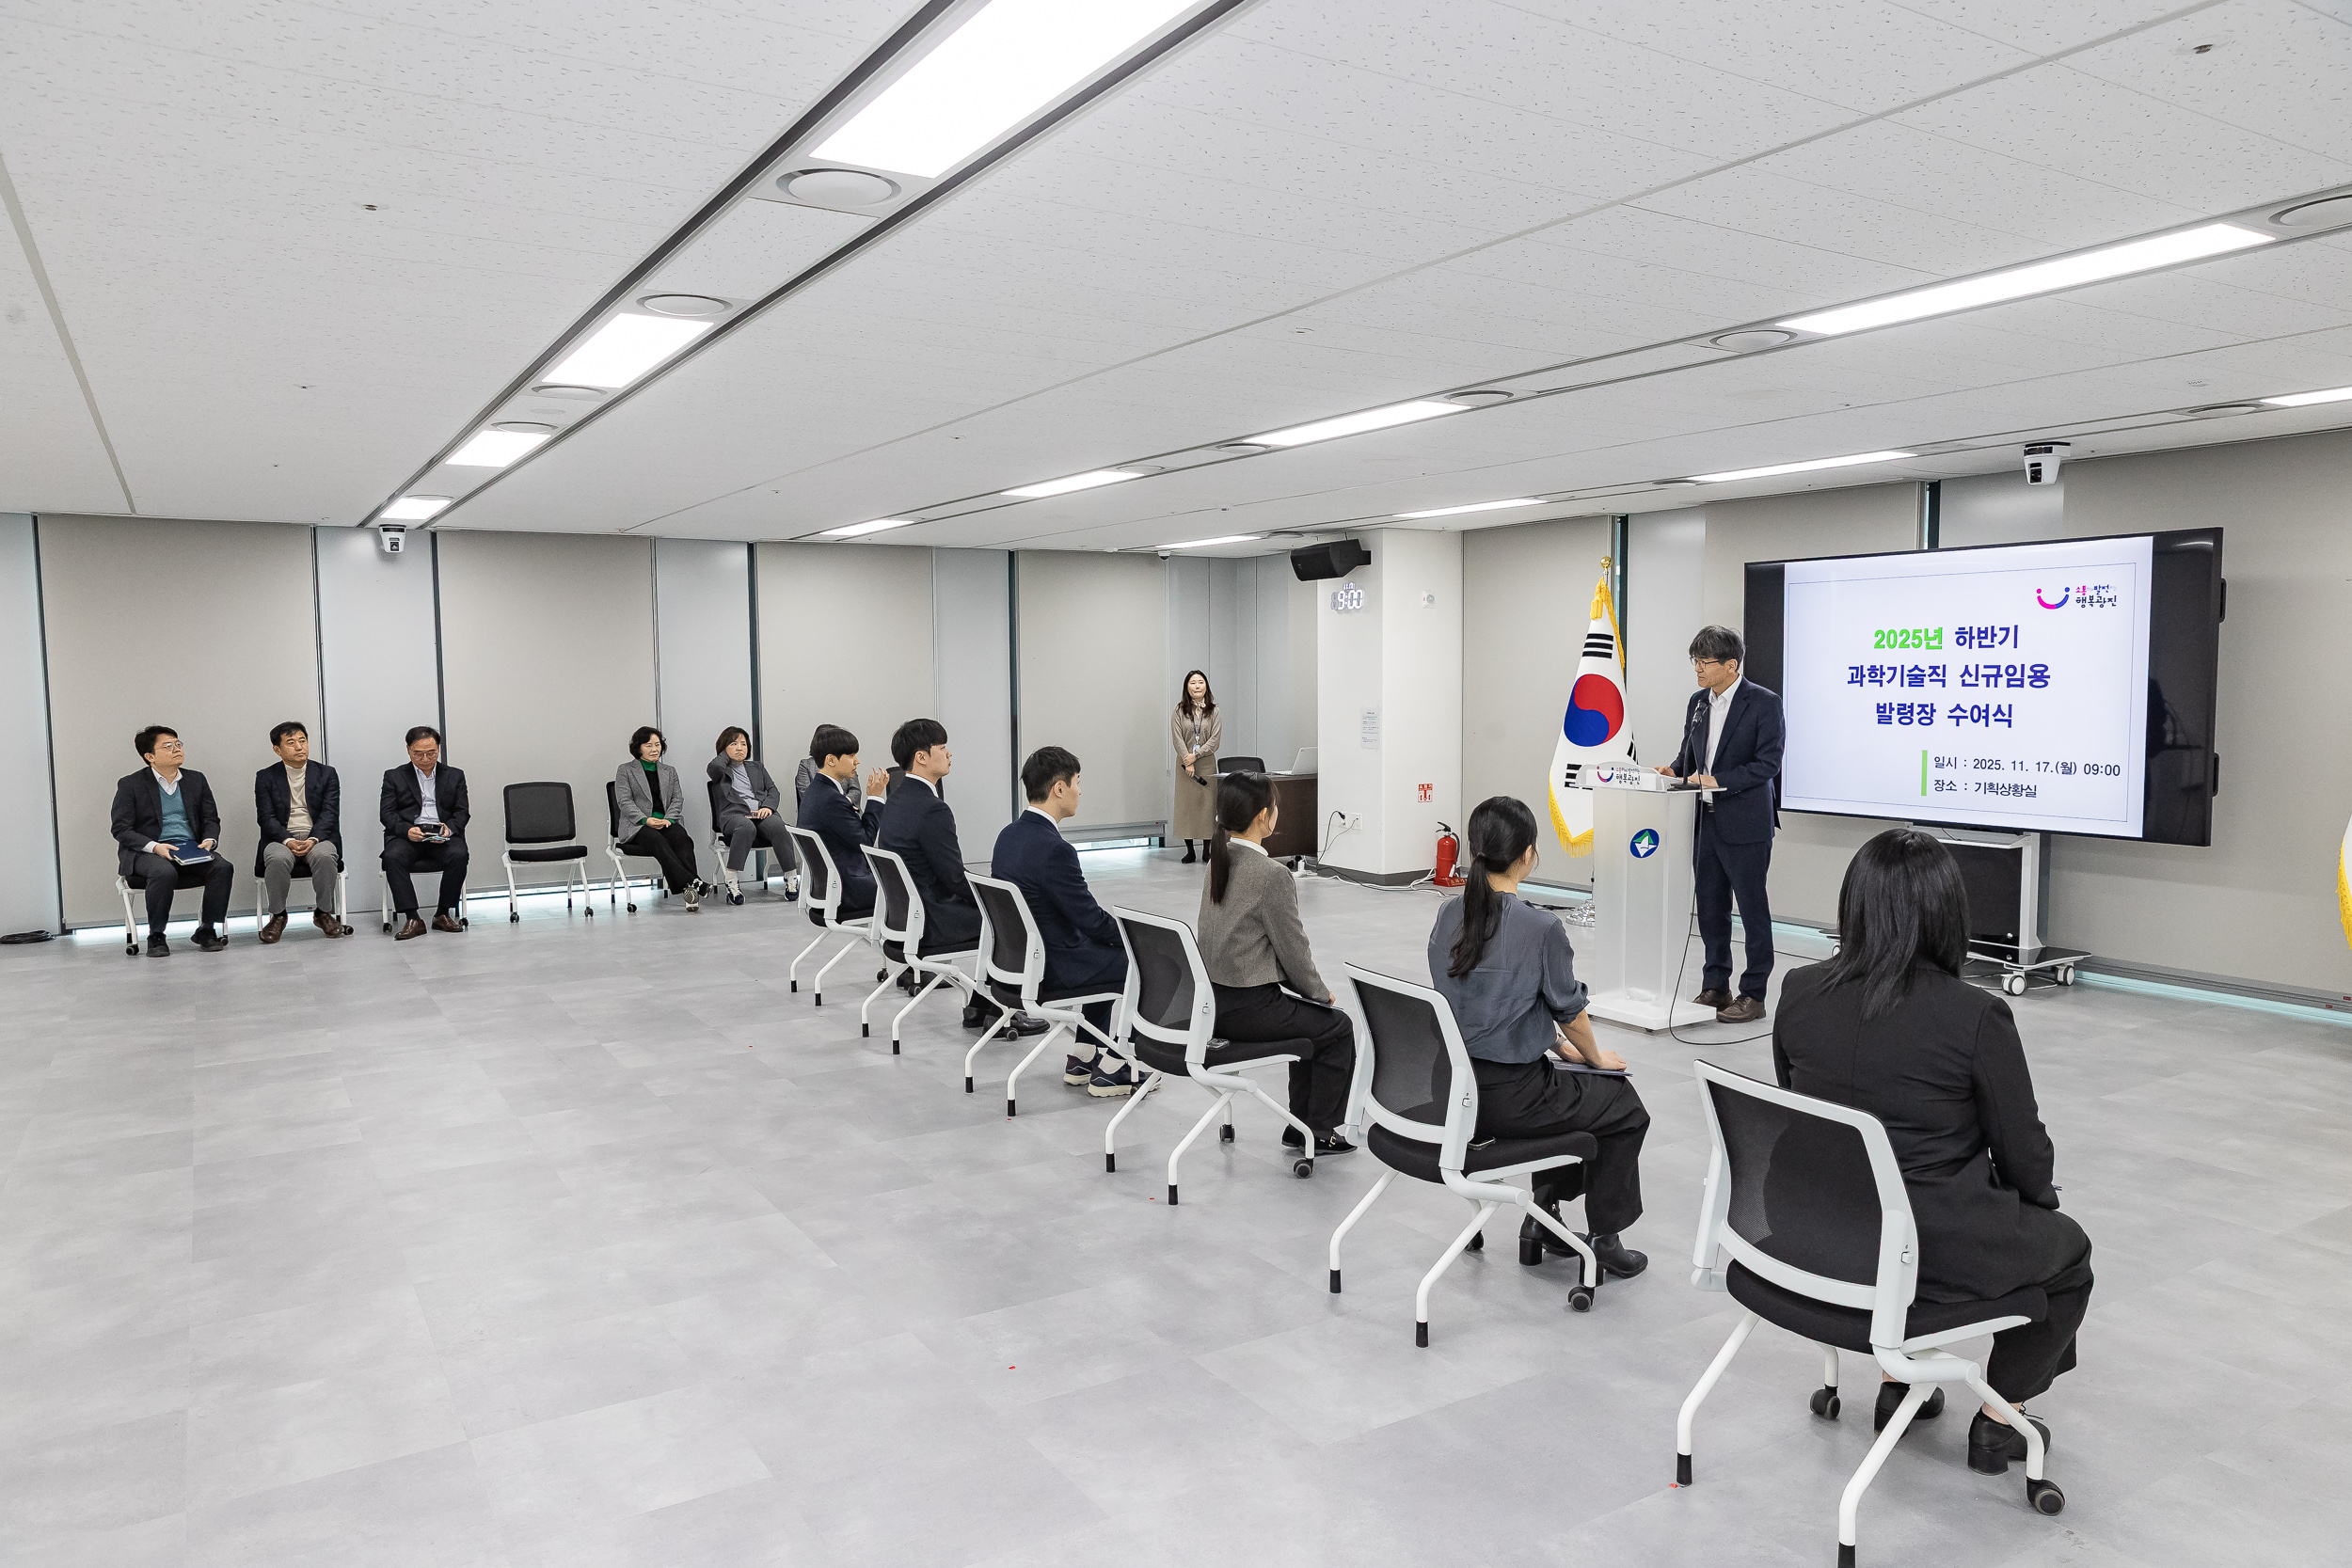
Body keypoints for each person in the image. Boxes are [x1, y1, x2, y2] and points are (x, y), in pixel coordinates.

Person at [1773, 829, 2091, 1466]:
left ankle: (1900, 1387)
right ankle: (2003, 1416)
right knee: (2069, 1254)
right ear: (1949, 913)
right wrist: (2036, 1205)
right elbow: (2024, 1149)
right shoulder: (1974, 1016)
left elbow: (1802, 1104)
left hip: (1811, 1226)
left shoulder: (1800, 990)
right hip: (1930, 1245)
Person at [1428, 795, 1649, 1280]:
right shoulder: (1541, 927)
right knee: (1623, 1106)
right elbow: (1569, 1010)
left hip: (1448, 1089)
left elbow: (1483, 1003)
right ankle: (1604, 1238)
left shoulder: (1448, 915)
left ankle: (1544, 1222)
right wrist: (1592, 1057)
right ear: (1528, 854)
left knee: (1569, 1084)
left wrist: (1558, 1049)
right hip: (1510, 1098)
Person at [1197, 770, 1356, 1155]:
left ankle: (1301, 1127)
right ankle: (1317, 1129)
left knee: (1308, 1028)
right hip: (1249, 1008)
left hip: (1212, 1003)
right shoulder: (1272, 875)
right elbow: (1294, 952)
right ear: (1264, 816)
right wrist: (1320, 994)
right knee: (1336, 1029)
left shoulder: (1218, 860)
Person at [879, 718, 1043, 1037]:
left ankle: (980, 1006)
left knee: (993, 912)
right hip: (931, 920)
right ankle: (1002, 1010)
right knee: (1010, 922)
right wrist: (997, 904)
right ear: (921, 757)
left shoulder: (896, 799)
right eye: (942, 748)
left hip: (903, 918)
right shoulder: (932, 808)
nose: (949, 754)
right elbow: (955, 878)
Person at [1655, 624, 1784, 1023]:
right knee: (1710, 908)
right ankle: (1716, 986)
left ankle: (1754, 993)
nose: (1697, 668)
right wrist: (1672, 771)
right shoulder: (1698, 701)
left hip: (1745, 823)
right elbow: (1688, 756)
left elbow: (1768, 764)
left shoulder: (1763, 702)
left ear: (1731, 665)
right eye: (1694, 660)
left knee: (1751, 909)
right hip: (1703, 822)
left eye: (1704, 662)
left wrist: (1719, 781)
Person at [992, 746, 1136, 1098]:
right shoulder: (1056, 849)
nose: (1080, 791)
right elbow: (1089, 920)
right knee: (1138, 963)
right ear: (1059, 788)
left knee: (1106, 952)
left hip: (1014, 963)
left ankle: (1083, 1056)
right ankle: (1119, 1065)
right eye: (1077, 782)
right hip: (1052, 969)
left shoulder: (1007, 836)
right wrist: (1135, 939)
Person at [110, 724, 234, 955]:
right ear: (150, 756)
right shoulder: (130, 785)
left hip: (189, 848)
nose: (176, 749)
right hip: (146, 852)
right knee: (163, 871)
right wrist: (155, 847)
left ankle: (207, 929)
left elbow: (210, 818)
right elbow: (121, 829)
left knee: (222, 867)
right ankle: (156, 935)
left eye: (178, 744)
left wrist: (209, 839)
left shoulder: (196, 780)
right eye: (168, 746)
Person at [253, 721, 349, 941]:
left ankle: (323, 912)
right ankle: (278, 915)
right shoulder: (265, 777)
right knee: (276, 859)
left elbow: (330, 813)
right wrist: (287, 840)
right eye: (291, 743)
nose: (299, 747)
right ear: (277, 749)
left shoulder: (326, 774)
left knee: (325, 856)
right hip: (280, 839)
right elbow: (265, 818)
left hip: (318, 836)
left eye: (302, 741)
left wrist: (313, 839)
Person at [379, 725, 469, 940]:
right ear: (408, 750)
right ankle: (413, 918)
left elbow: (462, 812)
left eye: (431, 753)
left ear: (438, 749)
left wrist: (450, 829)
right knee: (392, 857)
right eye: (418, 753)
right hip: (409, 834)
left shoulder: (455, 776)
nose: (425, 758)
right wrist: (407, 830)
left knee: (459, 854)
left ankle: (442, 914)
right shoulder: (394, 776)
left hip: (442, 834)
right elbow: (387, 814)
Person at [796, 723, 887, 922]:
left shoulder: (816, 792)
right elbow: (865, 843)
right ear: (831, 760)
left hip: (826, 888)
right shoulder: (831, 799)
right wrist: (875, 799)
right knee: (914, 893)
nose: (857, 761)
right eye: (851, 756)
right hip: (849, 890)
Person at [615, 726, 706, 911]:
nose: (654, 749)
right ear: (638, 747)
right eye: (649, 745)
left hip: (665, 821)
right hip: (638, 825)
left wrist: (669, 819)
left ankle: (691, 889)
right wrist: (645, 820)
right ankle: (692, 883)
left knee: (682, 838)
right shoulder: (625, 770)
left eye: (657, 744)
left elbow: (677, 798)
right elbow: (624, 801)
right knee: (656, 839)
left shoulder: (669, 771)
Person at [706, 726, 792, 904]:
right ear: (724, 748)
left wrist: (768, 807)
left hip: (761, 814)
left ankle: (791, 878)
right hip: (733, 815)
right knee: (745, 827)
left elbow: (773, 790)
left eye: (744, 744)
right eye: (734, 744)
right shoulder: (720, 770)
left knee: (779, 827)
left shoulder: (757, 767)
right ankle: (731, 880)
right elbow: (714, 766)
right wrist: (724, 754)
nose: (740, 748)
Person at [1169, 669, 1219, 863]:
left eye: (1200, 682)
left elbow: (1214, 740)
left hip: (1206, 763)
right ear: (1187, 687)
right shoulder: (1179, 710)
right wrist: (1186, 759)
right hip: (1184, 766)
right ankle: (1190, 850)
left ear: (1206, 686)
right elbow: (1177, 737)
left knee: (1207, 807)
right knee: (1186, 806)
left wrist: (1195, 755)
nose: (1197, 686)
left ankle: (1207, 850)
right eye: (1193, 683)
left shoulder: (1214, 710)